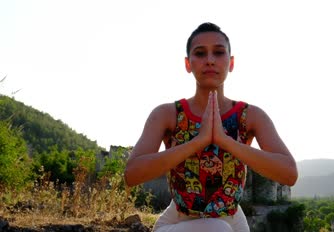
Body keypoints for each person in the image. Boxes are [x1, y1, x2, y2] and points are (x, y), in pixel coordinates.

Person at [124, 22, 298, 232]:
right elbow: (132, 174)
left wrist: (225, 141)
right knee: (218, 228)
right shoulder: (167, 114)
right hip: (178, 222)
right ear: (188, 64)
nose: (209, 60)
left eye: (218, 52)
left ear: (231, 63)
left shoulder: (251, 116)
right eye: (200, 53)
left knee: (221, 227)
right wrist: (199, 141)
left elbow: (289, 174)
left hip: (233, 218)